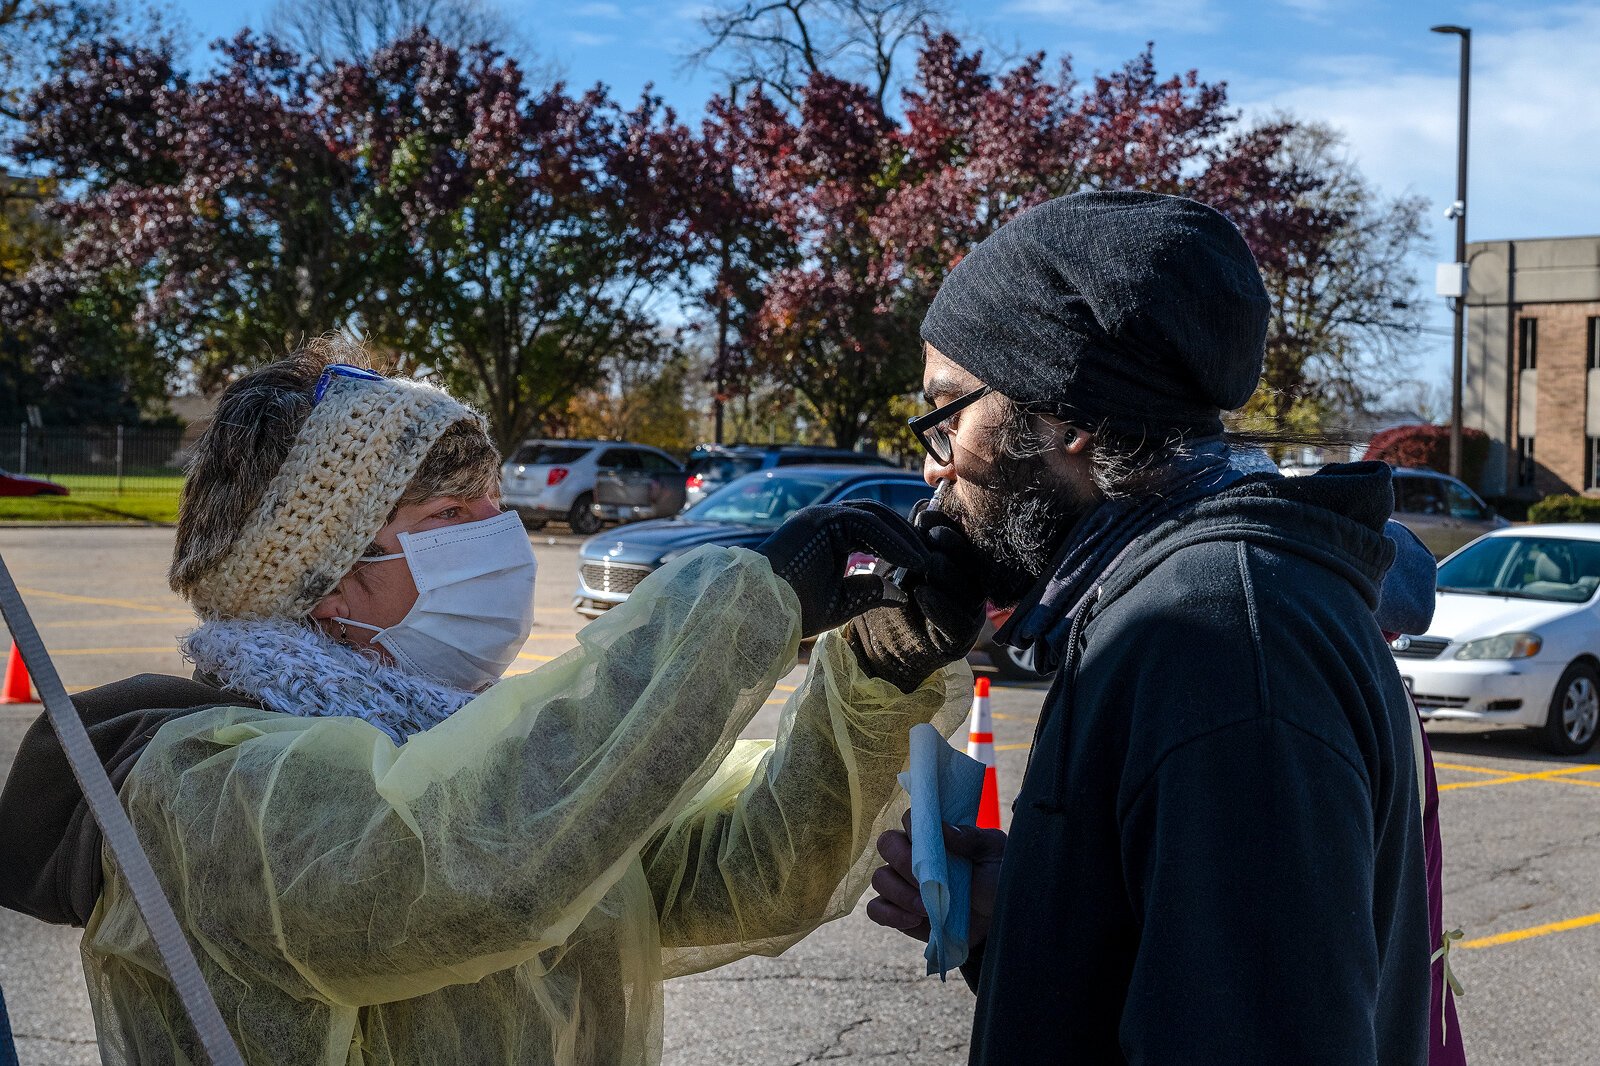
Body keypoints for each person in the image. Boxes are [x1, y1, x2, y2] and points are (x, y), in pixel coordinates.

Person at [0, 337, 985, 1065]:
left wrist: (880, 671)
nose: (496, 534)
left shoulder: (472, 748)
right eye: (447, 516)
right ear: (328, 580)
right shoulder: (202, 788)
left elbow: (747, 871)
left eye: (489, 501)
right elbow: (465, 865)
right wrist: (751, 595)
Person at [865, 191, 1431, 1063]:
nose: (933, 468)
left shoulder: (1224, 639)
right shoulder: (1170, 600)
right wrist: (1026, 916)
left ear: (1073, 418)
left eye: (946, 415)